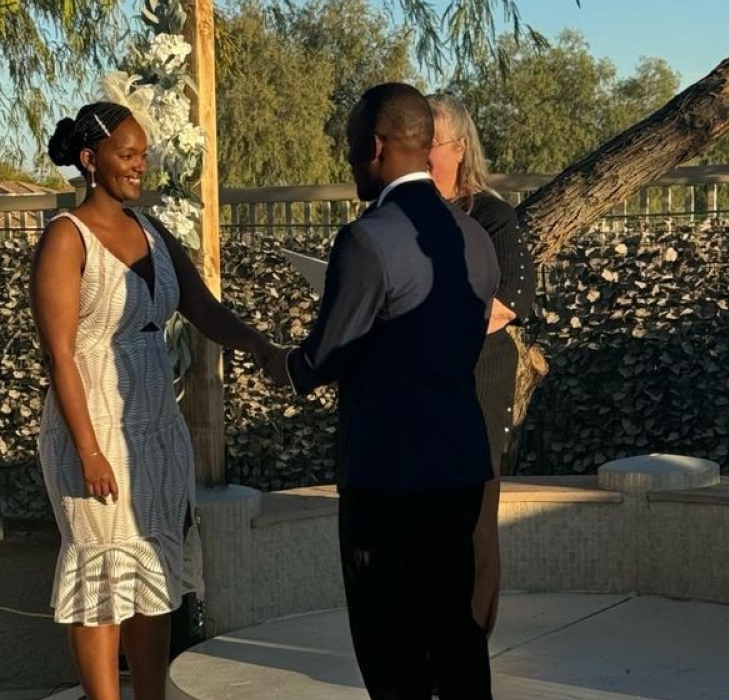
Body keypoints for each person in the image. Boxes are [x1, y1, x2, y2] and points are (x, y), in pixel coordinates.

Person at [261, 82, 499, 700]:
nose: (347, 160)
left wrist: (274, 358)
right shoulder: (473, 235)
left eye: (349, 147)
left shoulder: (367, 239)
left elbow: (324, 358)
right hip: (459, 462)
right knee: (456, 632)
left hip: (387, 475)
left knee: (390, 647)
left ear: (374, 145)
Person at [31, 101, 276, 700]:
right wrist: (88, 450)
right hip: (91, 425)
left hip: (156, 427)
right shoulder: (66, 238)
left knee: (154, 570)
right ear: (91, 160)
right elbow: (59, 354)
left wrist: (265, 348)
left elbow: (204, 309)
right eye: (127, 154)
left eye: (144, 155)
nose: (141, 166)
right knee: (101, 572)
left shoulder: (153, 232)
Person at [427, 93, 535, 638]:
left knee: (472, 523)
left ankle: (468, 641)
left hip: (474, 390)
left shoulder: (492, 217)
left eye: (432, 144)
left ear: (459, 148)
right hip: (415, 393)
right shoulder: (398, 215)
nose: (421, 155)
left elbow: (509, 300)